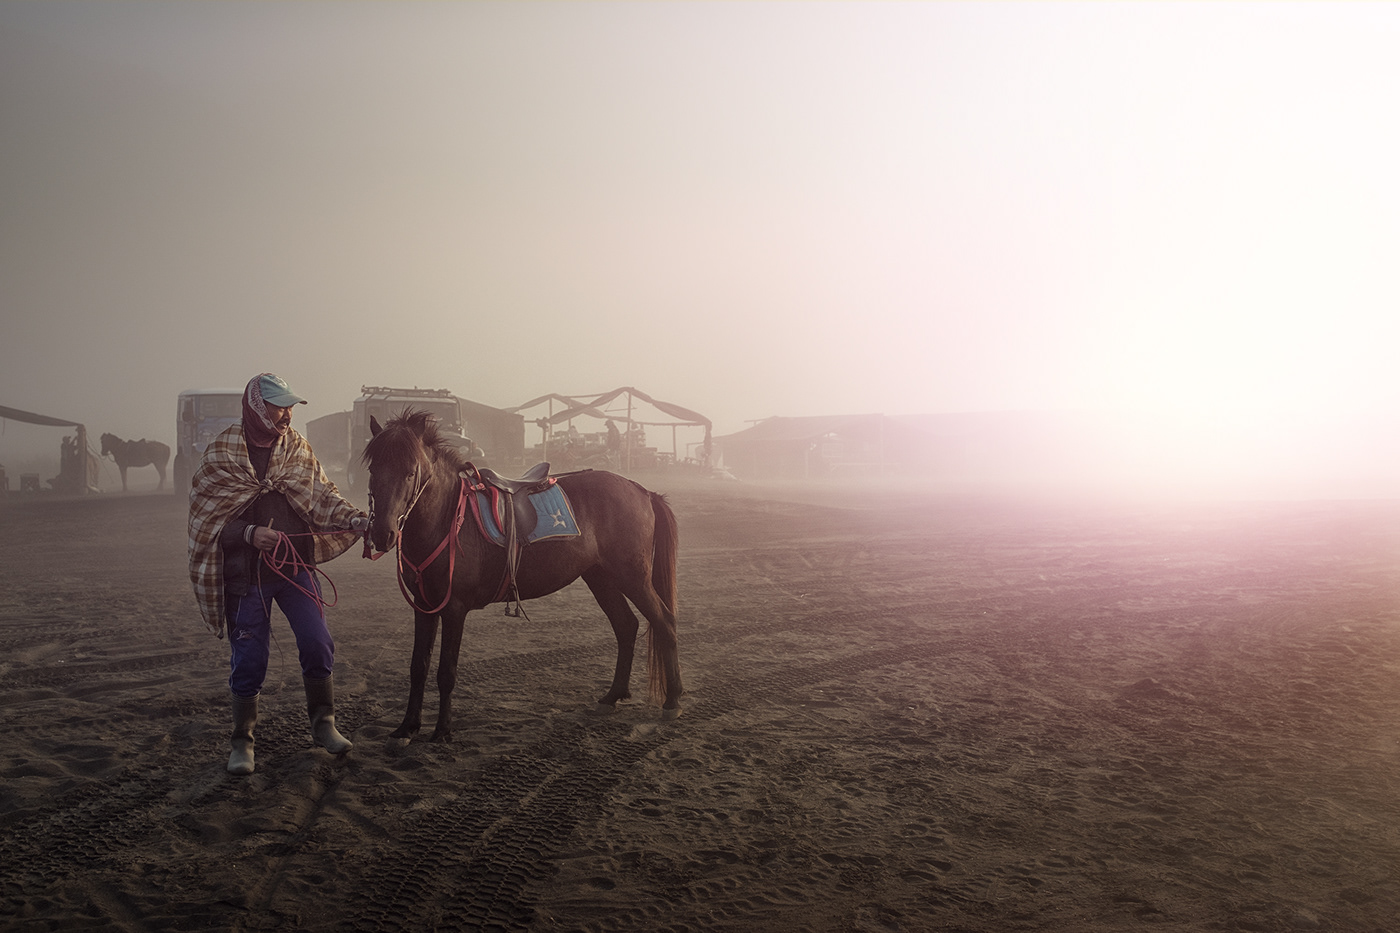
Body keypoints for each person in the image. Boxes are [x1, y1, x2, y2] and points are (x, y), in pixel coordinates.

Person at [187, 373, 369, 775]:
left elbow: (323, 496)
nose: (286, 414)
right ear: (255, 407)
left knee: (317, 641)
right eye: (277, 406)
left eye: (288, 406)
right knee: (250, 658)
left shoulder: (297, 449)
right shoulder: (221, 454)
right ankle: (242, 743)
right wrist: (249, 533)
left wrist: (355, 519)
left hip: (295, 568)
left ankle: (324, 724)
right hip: (246, 575)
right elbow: (206, 521)